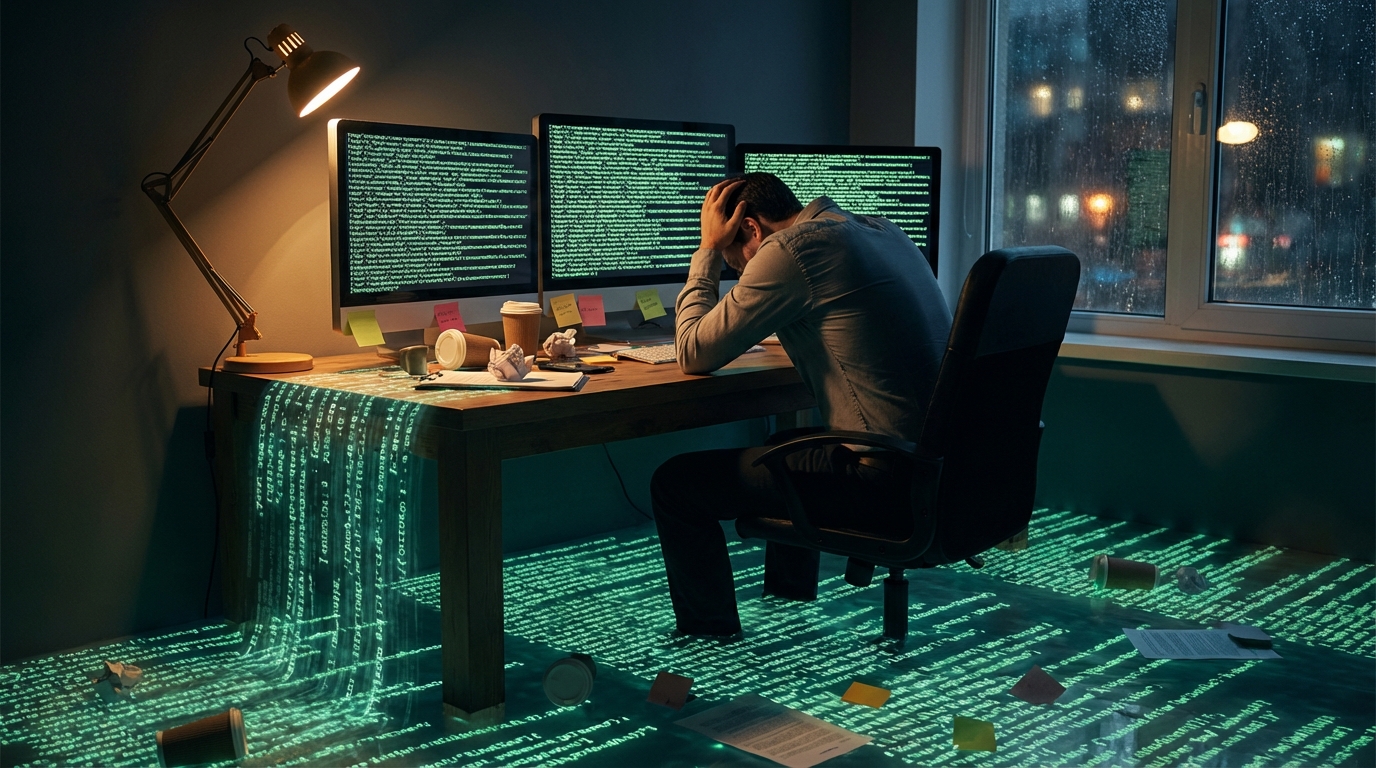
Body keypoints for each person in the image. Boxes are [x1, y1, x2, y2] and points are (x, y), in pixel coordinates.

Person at [650, 173, 953, 637]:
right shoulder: (882, 230)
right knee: (784, 445)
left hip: (881, 479)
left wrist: (707, 253)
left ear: (750, 230)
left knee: (674, 484)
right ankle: (790, 608)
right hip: (939, 467)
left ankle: (709, 640)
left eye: (736, 264)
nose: (739, 276)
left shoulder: (788, 250)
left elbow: (693, 352)